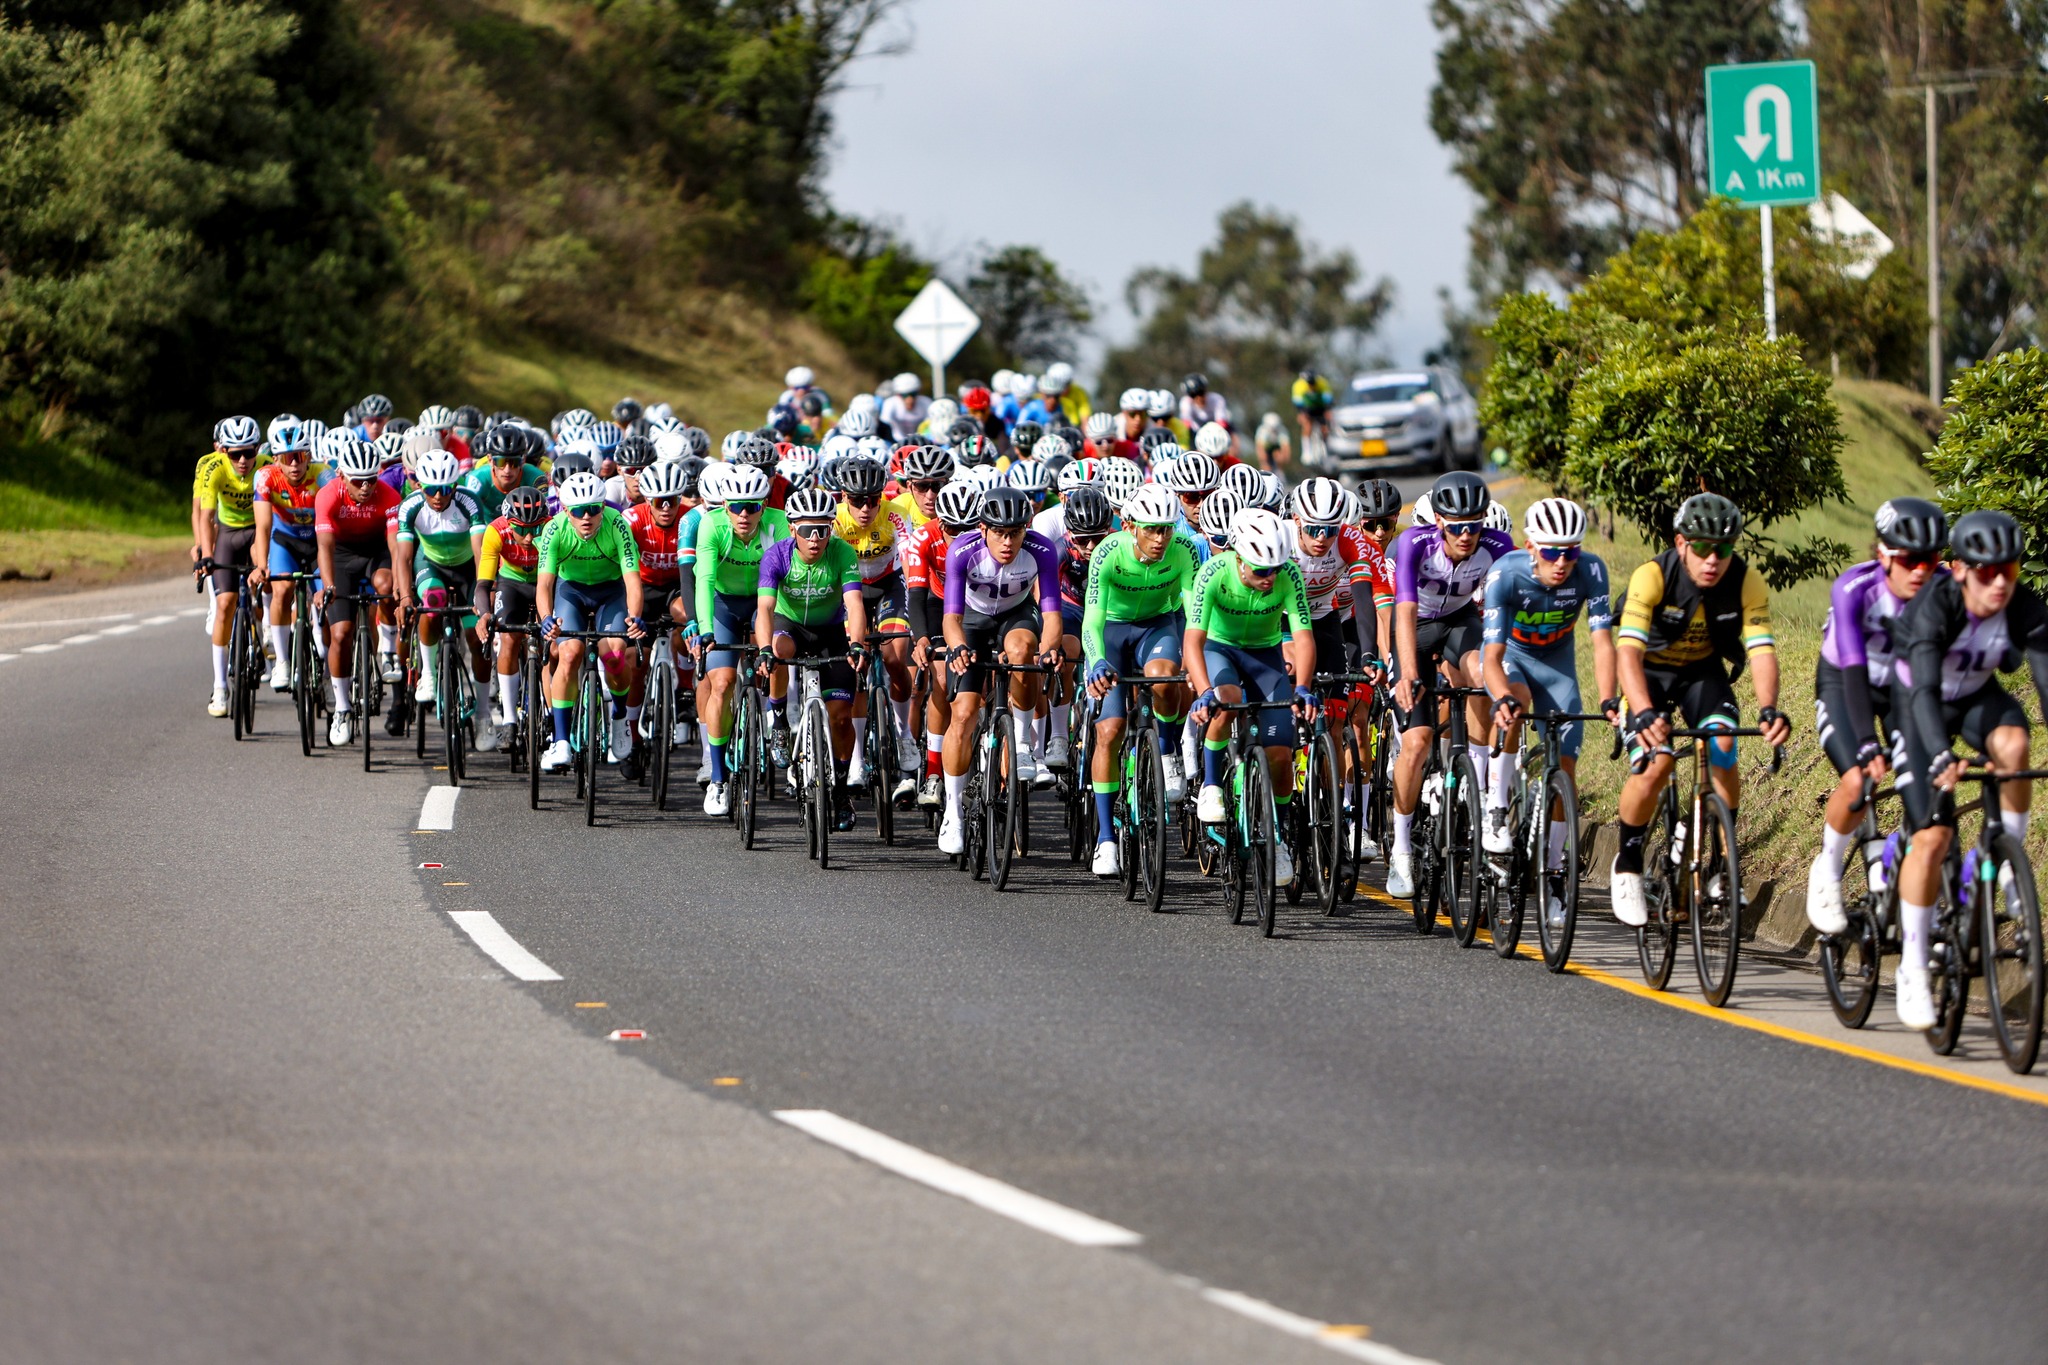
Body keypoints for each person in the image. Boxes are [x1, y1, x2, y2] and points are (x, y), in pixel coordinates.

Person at [1889, 510, 2048, 1030]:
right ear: (1959, 569)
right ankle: (1913, 967)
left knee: (2015, 746)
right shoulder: (1934, 607)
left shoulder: (2023, 605)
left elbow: (2047, 680)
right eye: (1987, 571)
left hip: (1978, 698)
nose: (2000, 582)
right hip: (1919, 708)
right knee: (1933, 836)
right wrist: (1940, 753)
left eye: (2010, 569)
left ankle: (2007, 866)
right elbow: (1923, 692)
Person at [1610, 493, 1791, 927]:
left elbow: (1762, 651)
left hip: (1701, 674)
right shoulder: (1653, 576)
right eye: (1703, 547)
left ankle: (1723, 866)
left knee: (1723, 744)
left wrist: (1769, 709)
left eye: (1723, 549)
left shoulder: (1746, 581)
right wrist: (1643, 711)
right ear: (1681, 543)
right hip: (1648, 674)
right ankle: (1628, 865)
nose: (1713, 559)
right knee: (1656, 763)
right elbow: (1627, 654)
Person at [1805, 498, 1948, 935]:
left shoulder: (1947, 588)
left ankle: (1918, 886)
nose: (1919, 571)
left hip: (1904, 689)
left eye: (1929, 560)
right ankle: (1828, 871)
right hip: (1847, 683)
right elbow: (1852, 667)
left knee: (1929, 787)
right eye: (1908, 560)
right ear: (1884, 555)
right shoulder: (1854, 588)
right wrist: (1868, 741)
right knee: (1858, 781)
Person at [1480, 498, 1617, 928]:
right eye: (1552, 552)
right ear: (1531, 547)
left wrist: (1609, 699)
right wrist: (1501, 697)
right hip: (1512, 659)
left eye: (1570, 551)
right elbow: (1491, 656)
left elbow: (1602, 643)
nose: (1562, 562)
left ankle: (1555, 874)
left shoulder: (1591, 571)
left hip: (1558, 666)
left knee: (1566, 768)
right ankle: (1496, 807)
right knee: (1515, 705)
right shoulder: (1505, 574)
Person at [1385, 471, 1516, 899]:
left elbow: (1513, 606)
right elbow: (1404, 612)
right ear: (1439, 521)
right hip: (1416, 628)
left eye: (1474, 525)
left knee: (1482, 675)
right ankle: (1401, 848)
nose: (1466, 535)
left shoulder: (1498, 546)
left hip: (1460, 622)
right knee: (1417, 741)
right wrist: (1408, 672)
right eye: (1457, 526)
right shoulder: (1414, 543)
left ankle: (1478, 782)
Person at [1184, 508, 1317, 888]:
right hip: (1219, 649)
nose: (1269, 577)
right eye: (1260, 570)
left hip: (1265, 655)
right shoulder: (1214, 572)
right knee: (1226, 701)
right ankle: (1212, 785)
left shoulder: (1288, 574)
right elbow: (1193, 641)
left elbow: (1303, 637)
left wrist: (1302, 687)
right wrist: (1204, 692)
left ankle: (1278, 836)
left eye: (1274, 568)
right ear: (1239, 559)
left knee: (1280, 753)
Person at [938, 487, 1063, 854]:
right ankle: (952, 813)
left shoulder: (1041, 550)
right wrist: (958, 647)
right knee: (963, 714)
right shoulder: (962, 551)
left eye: (1015, 533)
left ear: (1026, 529)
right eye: (1000, 533)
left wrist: (1048, 651)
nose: (1008, 542)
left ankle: (1022, 743)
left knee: (1024, 652)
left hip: (1016, 616)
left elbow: (1052, 616)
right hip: (972, 621)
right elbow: (951, 618)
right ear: (983, 529)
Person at [1081, 485, 1199, 875]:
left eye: (1167, 529)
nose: (1160, 538)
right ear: (1130, 526)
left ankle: (1166, 753)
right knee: (1110, 730)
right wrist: (1097, 661)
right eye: (1151, 529)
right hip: (1112, 632)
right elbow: (1092, 621)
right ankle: (1105, 840)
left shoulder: (1183, 550)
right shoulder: (1107, 553)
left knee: (1165, 679)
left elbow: (1193, 614)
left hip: (1156, 626)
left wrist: (1195, 661)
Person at [758, 486, 868, 831]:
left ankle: (841, 790)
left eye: (823, 529)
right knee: (779, 652)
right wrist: (764, 650)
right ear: (793, 528)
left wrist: (857, 644)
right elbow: (765, 608)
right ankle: (778, 719)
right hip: (789, 626)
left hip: (830, 633)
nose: (816, 538)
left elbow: (854, 604)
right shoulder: (776, 555)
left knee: (841, 717)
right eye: (808, 530)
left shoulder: (842, 552)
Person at [690, 464, 791, 814]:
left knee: (777, 649)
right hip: (724, 604)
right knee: (721, 683)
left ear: (765, 505)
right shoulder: (711, 525)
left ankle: (777, 715)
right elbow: (704, 580)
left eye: (752, 506)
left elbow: (787, 578)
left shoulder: (779, 523)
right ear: (724, 506)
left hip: (767, 600)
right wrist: (705, 628)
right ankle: (718, 778)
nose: (744, 514)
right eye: (735, 506)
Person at [535, 470, 648, 773]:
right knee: (569, 653)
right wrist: (546, 618)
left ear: (603, 507)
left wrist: (635, 616)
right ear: (565, 509)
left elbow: (633, 581)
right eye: (578, 511)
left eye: (593, 509)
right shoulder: (554, 529)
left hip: (611, 591)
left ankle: (620, 716)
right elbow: (544, 584)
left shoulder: (617, 524)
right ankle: (561, 740)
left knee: (614, 656)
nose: (587, 517)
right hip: (570, 591)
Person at [832, 454, 921, 798]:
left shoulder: (895, 515)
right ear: (844, 496)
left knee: (896, 657)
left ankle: (904, 735)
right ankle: (856, 758)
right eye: (858, 501)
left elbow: (910, 563)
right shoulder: (835, 520)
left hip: (888, 585)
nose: (866, 508)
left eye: (873, 499)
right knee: (856, 665)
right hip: (849, 587)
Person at [312, 432, 403, 745]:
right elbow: (324, 546)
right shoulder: (327, 496)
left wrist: (400, 586)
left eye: (371, 479)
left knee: (386, 585)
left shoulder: (389, 496)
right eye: (358, 481)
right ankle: (342, 708)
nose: (366, 487)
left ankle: (388, 650)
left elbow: (395, 546)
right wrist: (328, 585)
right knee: (340, 633)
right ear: (341, 475)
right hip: (341, 555)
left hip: (376, 551)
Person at [393, 450, 491, 736]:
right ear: (420, 485)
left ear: (455, 486)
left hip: (467, 570)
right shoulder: (410, 506)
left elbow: (480, 553)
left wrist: (484, 592)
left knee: (477, 637)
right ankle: (428, 674)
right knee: (432, 603)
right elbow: (403, 558)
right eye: (431, 490)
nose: (438, 496)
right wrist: (405, 598)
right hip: (431, 565)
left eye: (446, 489)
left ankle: (483, 714)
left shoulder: (469, 502)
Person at [904, 478, 982, 806]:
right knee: (941, 678)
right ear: (940, 521)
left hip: (978, 604)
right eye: (951, 528)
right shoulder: (923, 538)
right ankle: (934, 772)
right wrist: (921, 638)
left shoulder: (989, 539)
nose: (959, 536)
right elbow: (916, 596)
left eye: (967, 529)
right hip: (938, 603)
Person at [194, 416, 269, 715]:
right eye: (235, 454)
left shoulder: (266, 468)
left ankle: (263, 627)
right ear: (223, 451)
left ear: (257, 449)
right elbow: (205, 516)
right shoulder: (213, 468)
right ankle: (220, 687)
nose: (242, 460)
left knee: (265, 575)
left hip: (257, 531)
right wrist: (206, 554)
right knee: (225, 604)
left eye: (248, 453)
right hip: (227, 533)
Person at [248, 416, 328, 692]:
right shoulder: (265, 477)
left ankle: (328, 664)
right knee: (282, 590)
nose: (294, 464)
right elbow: (263, 525)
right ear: (276, 460)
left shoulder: (323, 475)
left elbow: (333, 525)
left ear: (308, 456)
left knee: (327, 598)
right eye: (286, 458)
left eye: (299, 456)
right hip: (285, 540)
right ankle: (282, 661)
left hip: (318, 542)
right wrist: (261, 565)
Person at [473, 486, 551, 747]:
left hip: (545, 582)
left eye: (535, 529)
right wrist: (485, 614)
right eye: (521, 529)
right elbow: (483, 584)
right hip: (512, 583)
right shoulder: (495, 531)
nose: (528, 538)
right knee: (508, 639)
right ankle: (509, 721)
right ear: (509, 523)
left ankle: (550, 714)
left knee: (551, 642)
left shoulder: (553, 528)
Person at [1290, 369, 1335, 460]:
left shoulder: (1322, 383)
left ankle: (1326, 449)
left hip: (1320, 406)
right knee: (1307, 425)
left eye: (1313, 383)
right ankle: (1306, 452)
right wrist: (1301, 414)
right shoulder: (1299, 385)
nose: (1311, 385)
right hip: (1306, 407)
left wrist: (1327, 411)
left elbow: (1328, 399)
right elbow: (1297, 402)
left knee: (1324, 427)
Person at [881, 373, 931, 443]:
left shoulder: (926, 402)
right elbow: (885, 425)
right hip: (896, 441)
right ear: (898, 395)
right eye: (904, 395)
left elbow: (930, 426)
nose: (909, 399)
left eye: (913, 394)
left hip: (921, 441)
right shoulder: (890, 403)